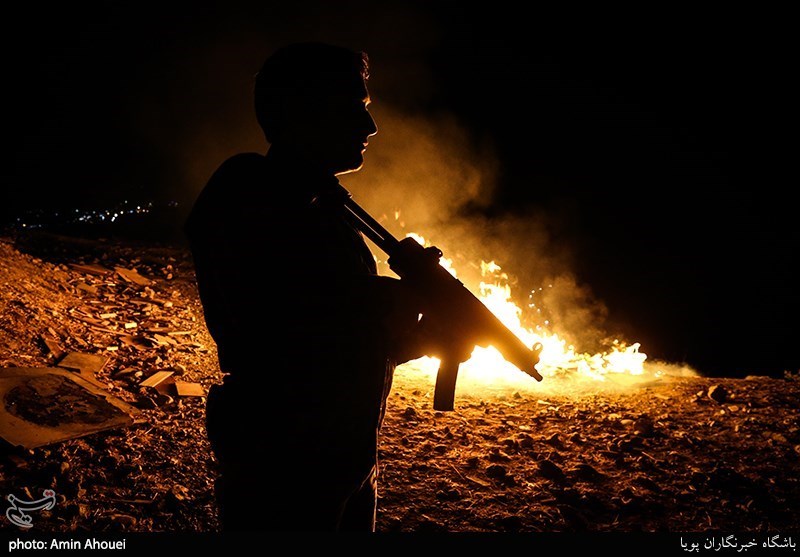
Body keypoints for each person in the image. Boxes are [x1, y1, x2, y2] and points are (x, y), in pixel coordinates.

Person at [185, 42, 468, 532]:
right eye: (355, 109)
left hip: (344, 456)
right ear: (305, 112)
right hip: (284, 458)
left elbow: (346, 341)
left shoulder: (326, 208)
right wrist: (404, 299)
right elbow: (283, 321)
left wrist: (423, 339)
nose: (370, 128)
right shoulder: (247, 188)